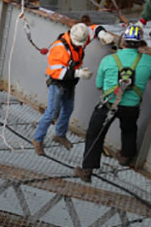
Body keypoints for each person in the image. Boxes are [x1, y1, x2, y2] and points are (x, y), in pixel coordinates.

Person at [74, 25, 151, 182]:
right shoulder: (147, 61)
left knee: (94, 134)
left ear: (123, 42)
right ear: (140, 44)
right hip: (131, 107)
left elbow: (99, 85)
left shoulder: (108, 60)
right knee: (129, 129)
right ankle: (126, 156)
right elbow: (150, 75)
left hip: (109, 104)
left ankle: (87, 170)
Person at [32, 21, 114, 156]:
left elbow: (93, 29)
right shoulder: (59, 49)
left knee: (68, 109)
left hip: (70, 83)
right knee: (52, 113)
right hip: (58, 85)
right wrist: (77, 73)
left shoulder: (79, 37)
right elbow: (54, 72)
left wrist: (102, 34)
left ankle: (60, 134)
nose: (82, 46)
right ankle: (37, 139)